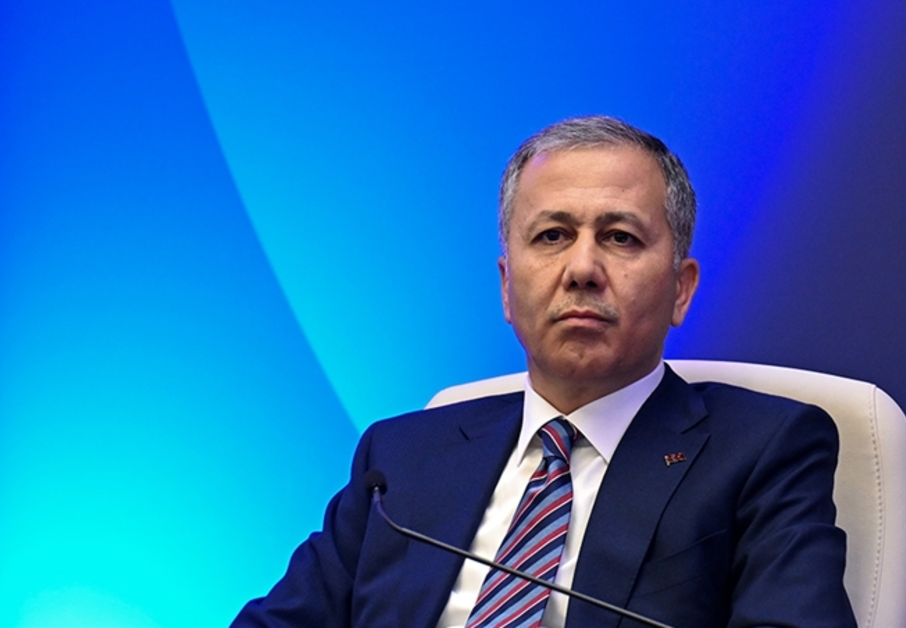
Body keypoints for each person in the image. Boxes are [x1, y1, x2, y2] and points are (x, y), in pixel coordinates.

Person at [233, 116, 856, 628]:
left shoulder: (763, 449)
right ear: (507, 287)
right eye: (553, 235)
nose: (582, 269)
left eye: (620, 237)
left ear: (681, 289)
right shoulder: (400, 458)